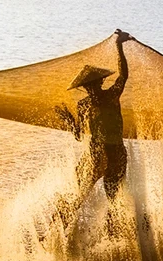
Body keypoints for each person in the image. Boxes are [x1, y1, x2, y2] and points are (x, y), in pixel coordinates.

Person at [54, 29, 132, 223]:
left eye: (92, 85)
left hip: (108, 154)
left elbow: (124, 75)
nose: (91, 89)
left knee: (105, 197)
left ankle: (114, 234)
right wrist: (70, 120)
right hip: (105, 153)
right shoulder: (106, 97)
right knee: (95, 196)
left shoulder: (105, 98)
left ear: (98, 84)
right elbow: (79, 133)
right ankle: (57, 228)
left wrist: (119, 46)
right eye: (89, 87)